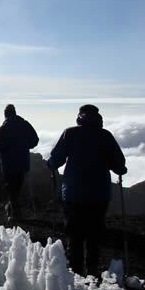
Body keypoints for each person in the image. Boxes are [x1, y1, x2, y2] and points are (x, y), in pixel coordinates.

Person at [47, 104, 127, 278]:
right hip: (99, 195)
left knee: (74, 235)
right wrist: (121, 170)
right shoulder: (105, 136)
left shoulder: (70, 133)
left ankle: (75, 273)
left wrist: (51, 165)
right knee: (94, 236)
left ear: (79, 116)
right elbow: (119, 164)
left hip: (74, 194)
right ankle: (91, 272)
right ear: (98, 118)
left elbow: (56, 159)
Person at [0, 104, 39, 223]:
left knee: (11, 187)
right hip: (23, 161)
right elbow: (35, 140)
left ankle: (14, 212)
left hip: (8, 163)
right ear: (14, 112)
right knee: (16, 186)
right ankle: (12, 209)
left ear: (5, 114)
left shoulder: (2, 128)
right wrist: (25, 146)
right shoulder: (25, 124)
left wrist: (2, 150)